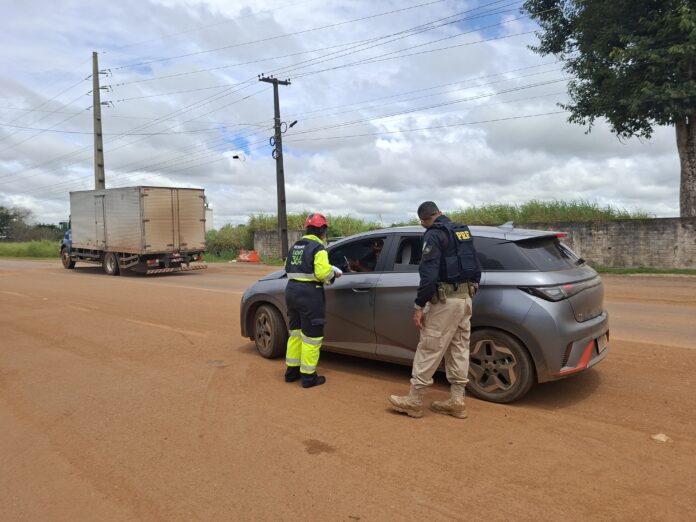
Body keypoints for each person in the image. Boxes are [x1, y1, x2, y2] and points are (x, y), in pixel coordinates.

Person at [388, 201, 481, 419]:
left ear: (423, 220)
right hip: (465, 298)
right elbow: (475, 266)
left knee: (429, 347)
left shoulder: (433, 234)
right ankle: (457, 401)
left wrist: (419, 305)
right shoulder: (462, 231)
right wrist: (469, 292)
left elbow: (428, 275)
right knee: (459, 348)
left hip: (445, 302)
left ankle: (414, 401)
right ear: (439, 212)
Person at [284, 213, 342, 388]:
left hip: (291, 291)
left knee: (295, 335)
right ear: (322, 230)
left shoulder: (295, 246)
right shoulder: (318, 248)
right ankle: (309, 378)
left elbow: (287, 267)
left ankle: (291, 372)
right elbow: (323, 273)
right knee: (312, 338)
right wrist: (334, 275)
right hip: (309, 295)